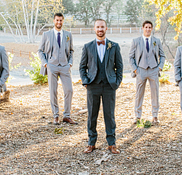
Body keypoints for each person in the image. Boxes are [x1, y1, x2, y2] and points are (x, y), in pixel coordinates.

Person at [79, 19, 123, 154]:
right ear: (94, 29)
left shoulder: (114, 46)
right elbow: (82, 67)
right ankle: (91, 143)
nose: (100, 29)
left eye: (102, 27)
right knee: (92, 115)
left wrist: (116, 82)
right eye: (98, 27)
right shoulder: (87, 46)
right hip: (93, 86)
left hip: (109, 86)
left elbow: (119, 67)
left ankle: (111, 143)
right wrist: (86, 81)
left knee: (109, 115)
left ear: (106, 28)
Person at [38, 13, 77, 125]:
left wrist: (70, 63)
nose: (59, 22)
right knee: (53, 91)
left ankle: (67, 116)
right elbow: (40, 50)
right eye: (57, 20)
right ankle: (55, 116)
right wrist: (46, 64)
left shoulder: (68, 34)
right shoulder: (46, 34)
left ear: (63, 21)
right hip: (52, 66)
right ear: (54, 21)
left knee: (69, 90)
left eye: (60, 20)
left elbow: (71, 51)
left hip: (65, 66)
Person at [128, 20, 166, 125]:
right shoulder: (136, 41)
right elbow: (131, 57)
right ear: (143, 28)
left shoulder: (156, 41)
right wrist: (135, 69)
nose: (148, 29)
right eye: (146, 27)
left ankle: (155, 116)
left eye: (150, 27)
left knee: (155, 94)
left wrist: (159, 68)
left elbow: (162, 55)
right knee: (139, 94)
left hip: (154, 70)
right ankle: (137, 116)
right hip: (141, 70)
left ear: (152, 29)